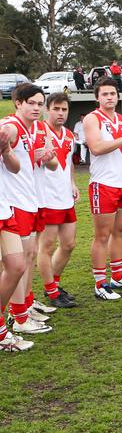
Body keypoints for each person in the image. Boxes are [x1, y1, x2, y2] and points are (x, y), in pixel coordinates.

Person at [0, 83, 58, 338]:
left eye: (39, 103)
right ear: (18, 103)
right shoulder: (13, 125)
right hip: (14, 203)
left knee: (28, 257)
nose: (36, 108)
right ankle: (19, 315)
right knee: (17, 264)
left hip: (28, 199)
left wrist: (41, 157)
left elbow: (19, 163)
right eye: (31, 103)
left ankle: (25, 305)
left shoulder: (31, 127)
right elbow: (6, 133)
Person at [84, 77, 122, 300]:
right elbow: (97, 148)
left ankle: (118, 276)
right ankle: (100, 283)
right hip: (103, 184)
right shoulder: (93, 119)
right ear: (97, 97)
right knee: (102, 236)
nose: (110, 98)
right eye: (105, 94)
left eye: (113, 94)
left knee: (120, 232)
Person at [36, 93, 79, 308]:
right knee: (46, 247)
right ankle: (52, 292)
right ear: (47, 109)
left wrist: (72, 183)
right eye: (56, 108)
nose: (60, 113)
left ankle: (53, 285)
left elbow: (69, 162)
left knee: (69, 244)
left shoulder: (70, 135)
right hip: (46, 198)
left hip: (65, 197)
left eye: (64, 109)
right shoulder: (39, 131)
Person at [0, 106, 29, 350]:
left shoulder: (3, 130)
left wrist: (6, 150)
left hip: (3, 208)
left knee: (17, 266)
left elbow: (15, 167)